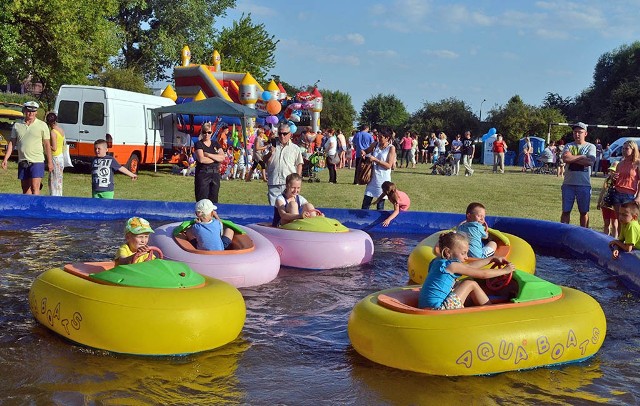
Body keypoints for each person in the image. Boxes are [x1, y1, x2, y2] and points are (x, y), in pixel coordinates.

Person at [417, 232, 515, 310]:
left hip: (426, 307)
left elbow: (469, 267)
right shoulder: (452, 265)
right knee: (470, 283)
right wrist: (505, 271)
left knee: (461, 284)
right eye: (463, 253)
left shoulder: (437, 261)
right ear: (448, 252)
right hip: (438, 310)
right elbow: (483, 274)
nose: (466, 257)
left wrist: (491, 259)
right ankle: (490, 312)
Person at [1, 101, 53, 194]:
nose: (31, 113)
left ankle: (35, 207)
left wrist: (50, 162)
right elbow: (12, 143)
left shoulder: (42, 125)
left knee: (35, 187)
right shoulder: (17, 125)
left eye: (33, 111)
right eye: (29, 111)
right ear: (25, 111)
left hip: (37, 161)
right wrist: (5, 159)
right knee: (25, 190)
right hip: (23, 161)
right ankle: (27, 208)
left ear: (36, 112)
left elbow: (47, 145)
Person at [560, 122, 596, 227]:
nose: (577, 134)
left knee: (584, 212)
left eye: (580, 132)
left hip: (584, 184)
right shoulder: (568, 145)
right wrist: (582, 157)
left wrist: (573, 159)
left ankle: (584, 233)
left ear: (585, 133)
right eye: (575, 132)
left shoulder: (591, 146)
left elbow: (590, 162)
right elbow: (566, 158)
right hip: (568, 184)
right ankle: (563, 232)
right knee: (566, 211)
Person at [264, 122, 304, 206]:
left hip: (289, 184)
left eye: (285, 134)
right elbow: (263, 161)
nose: (282, 136)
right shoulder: (272, 146)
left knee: (291, 206)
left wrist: (297, 180)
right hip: (274, 182)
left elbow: (299, 164)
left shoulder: (295, 148)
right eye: (280, 133)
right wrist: (270, 153)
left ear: (290, 134)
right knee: (274, 208)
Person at [361, 130, 396, 210]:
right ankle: (362, 220)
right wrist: (363, 152)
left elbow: (389, 165)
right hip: (373, 177)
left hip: (383, 179)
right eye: (378, 136)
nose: (378, 138)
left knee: (380, 206)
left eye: (381, 137)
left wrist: (375, 160)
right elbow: (365, 151)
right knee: (366, 202)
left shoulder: (391, 148)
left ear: (387, 138)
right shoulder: (375, 144)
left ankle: (378, 222)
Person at [194, 122, 225, 203]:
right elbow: (202, 159)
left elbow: (222, 157)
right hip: (203, 174)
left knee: (214, 200)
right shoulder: (199, 144)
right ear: (202, 132)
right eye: (204, 132)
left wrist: (208, 155)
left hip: (215, 174)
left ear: (212, 132)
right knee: (202, 201)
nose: (206, 134)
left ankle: (213, 215)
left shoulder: (215, 144)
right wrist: (216, 158)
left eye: (209, 132)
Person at [610, 140, 640, 216]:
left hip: (629, 195)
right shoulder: (620, 163)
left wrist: (638, 197)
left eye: (626, 149)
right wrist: (613, 178)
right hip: (617, 193)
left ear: (633, 150)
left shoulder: (637, 163)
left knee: (628, 219)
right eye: (623, 148)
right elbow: (614, 181)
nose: (623, 150)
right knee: (619, 219)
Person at [45, 112, 66, 196]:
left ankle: (54, 195)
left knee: (54, 179)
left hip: (55, 157)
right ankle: (59, 194)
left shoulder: (53, 132)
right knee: (59, 178)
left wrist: (46, 145)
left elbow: (54, 147)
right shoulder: (61, 130)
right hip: (61, 156)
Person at [596, 162, 619, 238]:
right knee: (606, 223)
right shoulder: (607, 180)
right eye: (611, 171)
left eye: (614, 171)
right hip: (605, 204)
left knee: (615, 224)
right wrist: (599, 202)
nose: (612, 173)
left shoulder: (620, 181)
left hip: (615, 205)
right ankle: (606, 239)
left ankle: (615, 239)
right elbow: (603, 191)